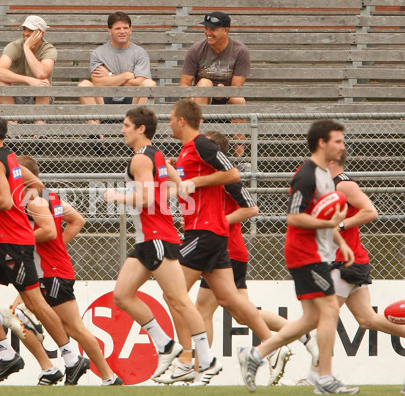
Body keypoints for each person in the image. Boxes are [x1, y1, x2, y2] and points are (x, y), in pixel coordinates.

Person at [0, 114, 86, 385]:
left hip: (12, 243)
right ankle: (8, 354)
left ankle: (71, 358)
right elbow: (37, 186)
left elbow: (4, 201)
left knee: (35, 304)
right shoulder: (10, 157)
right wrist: (20, 206)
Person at [238, 120, 358, 394]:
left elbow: (326, 217)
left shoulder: (326, 175)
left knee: (311, 318)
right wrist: (330, 228)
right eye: (337, 141)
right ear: (322, 143)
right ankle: (323, 378)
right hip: (304, 252)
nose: (342, 146)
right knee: (329, 310)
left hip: (319, 251)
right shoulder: (306, 175)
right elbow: (294, 217)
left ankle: (255, 354)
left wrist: (341, 241)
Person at [104, 106, 220, 385]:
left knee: (179, 300)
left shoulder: (141, 159)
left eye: (126, 125)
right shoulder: (155, 156)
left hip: (157, 236)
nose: (122, 129)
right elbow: (178, 185)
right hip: (148, 237)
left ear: (140, 129)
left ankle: (206, 359)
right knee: (122, 294)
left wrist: (115, 196)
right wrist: (165, 185)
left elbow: (144, 200)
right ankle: (167, 345)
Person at [164, 99, 273, 386]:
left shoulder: (202, 145)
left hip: (205, 231)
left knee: (173, 293)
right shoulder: (186, 152)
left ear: (181, 121)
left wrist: (195, 184)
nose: (169, 123)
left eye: (171, 118)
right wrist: (172, 173)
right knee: (229, 300)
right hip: (202, 231)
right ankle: (272, 346)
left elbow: (233, 174)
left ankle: (188, 360)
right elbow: (186, 188)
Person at [18, 155, 123, 386]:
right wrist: (58, 246)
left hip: (51, 272)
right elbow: (77, 220)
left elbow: (50, 231)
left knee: (70, 327)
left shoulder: (33, 201)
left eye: (15, 174)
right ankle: (76, 367)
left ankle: (100, 374)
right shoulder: (49, 198)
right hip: (48, 270)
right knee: (21, 316)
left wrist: (18, 240)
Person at [328, 152, 405, 385]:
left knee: (323, 318)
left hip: (345, 261)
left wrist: (340, 224)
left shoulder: (344, 184)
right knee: (367, 319)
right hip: (345, 259)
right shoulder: (326, 185)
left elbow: (371, 212)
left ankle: (319, 375)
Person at [78, 11, 156, 113]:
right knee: (84, 85)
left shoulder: (140, 53)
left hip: (132, 100)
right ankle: (94, 126)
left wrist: (110, 76)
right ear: (109, 31)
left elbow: (139, 82)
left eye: (125, 28)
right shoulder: (98, 53)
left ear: (130, 30)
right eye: (118, 28)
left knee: (150, 84)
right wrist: (127, 76)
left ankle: (136, 124)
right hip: (104, 99)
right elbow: (97, 82)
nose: (122, 31)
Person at [180, 11, 250, 106]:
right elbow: (184, 84)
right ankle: (198, 120)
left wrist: (222, 92)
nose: (208, 33)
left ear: (225, 30)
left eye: (213, 29)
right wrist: (191, 100)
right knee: (205, 83)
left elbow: (236, 87)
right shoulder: (196, 50)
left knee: (239, 101)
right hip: (201, 98)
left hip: (226, 98)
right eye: (206, 28)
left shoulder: (240, 51)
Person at [0, 15, 56, 111]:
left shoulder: (49, 49)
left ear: (41, 33)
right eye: (24, 29)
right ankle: (12, 123)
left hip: (38, 95)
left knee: (44, 84)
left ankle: (39, 125)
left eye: (30, 30)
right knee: (3, 83)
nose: (25, 33)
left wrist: (26, 48)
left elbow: (41, 73)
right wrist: (28, 80)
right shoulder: (14, 46)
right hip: (16, 93)